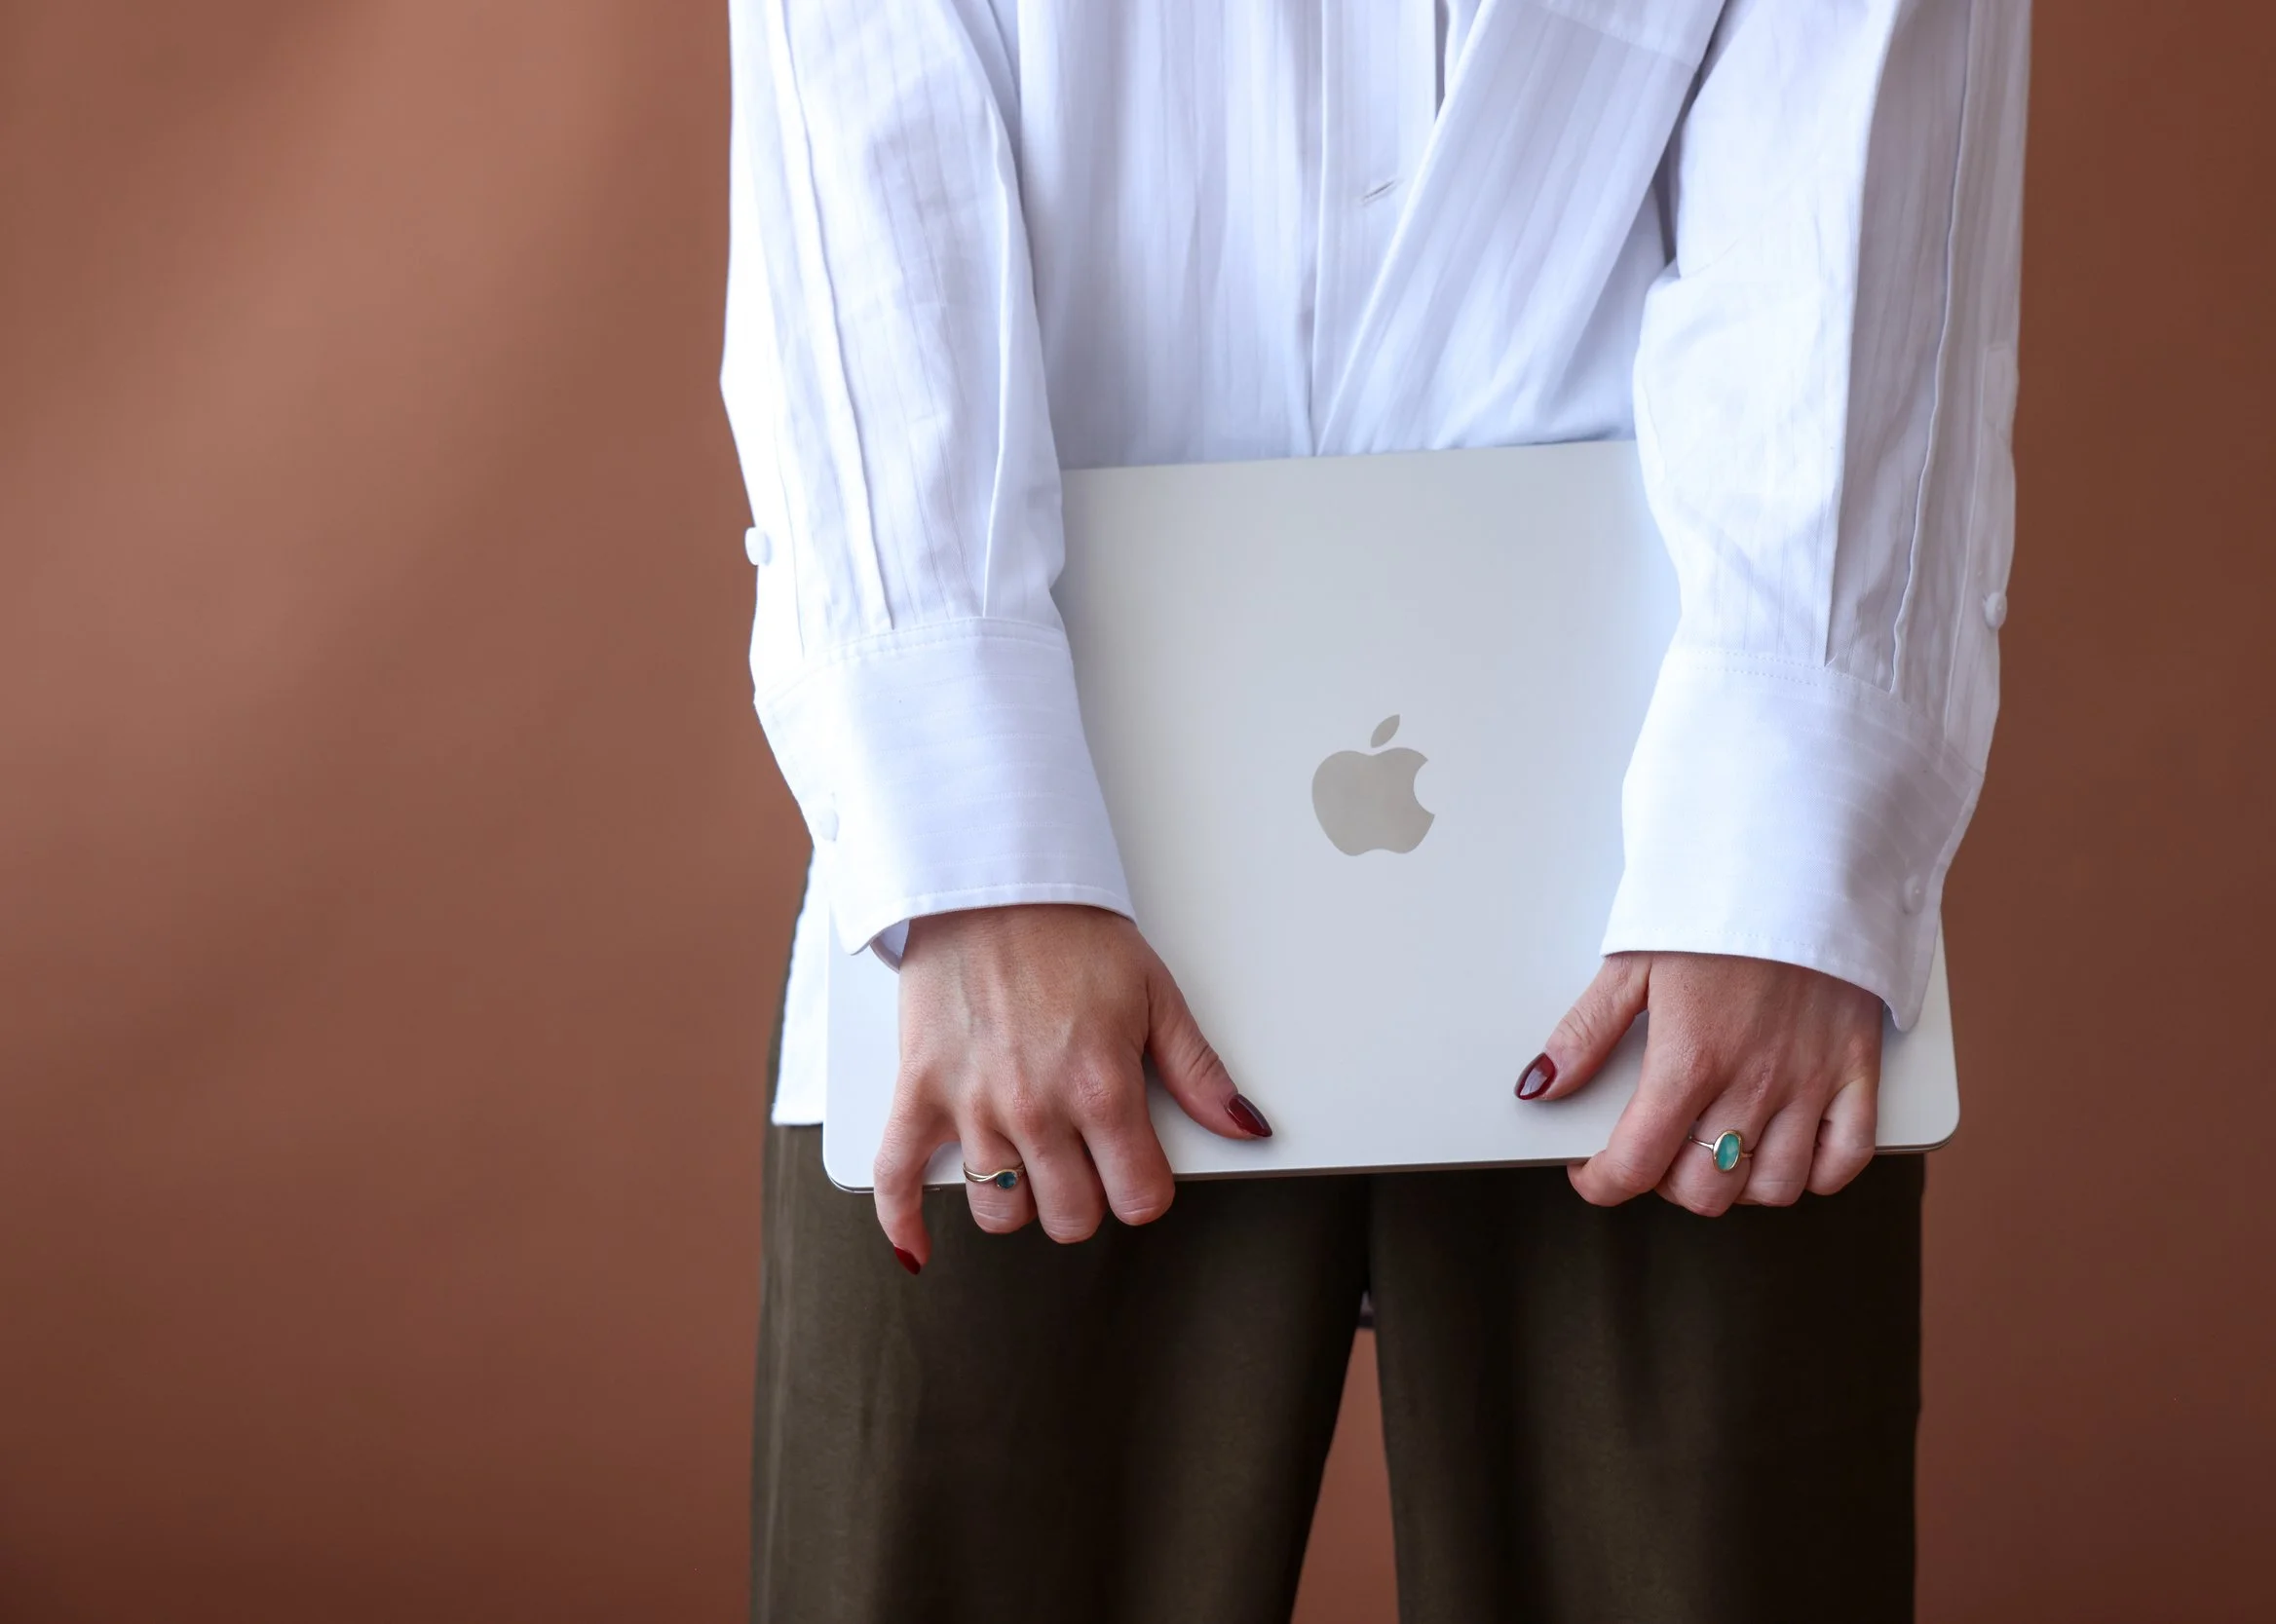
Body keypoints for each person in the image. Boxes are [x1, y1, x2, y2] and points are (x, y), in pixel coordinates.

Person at [721, 1, 2028, 1619]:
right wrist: (969, 835)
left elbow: (1866, 163)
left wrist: (1785, 822)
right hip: (1035, 855)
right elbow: (857, 148)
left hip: (1673, 871)